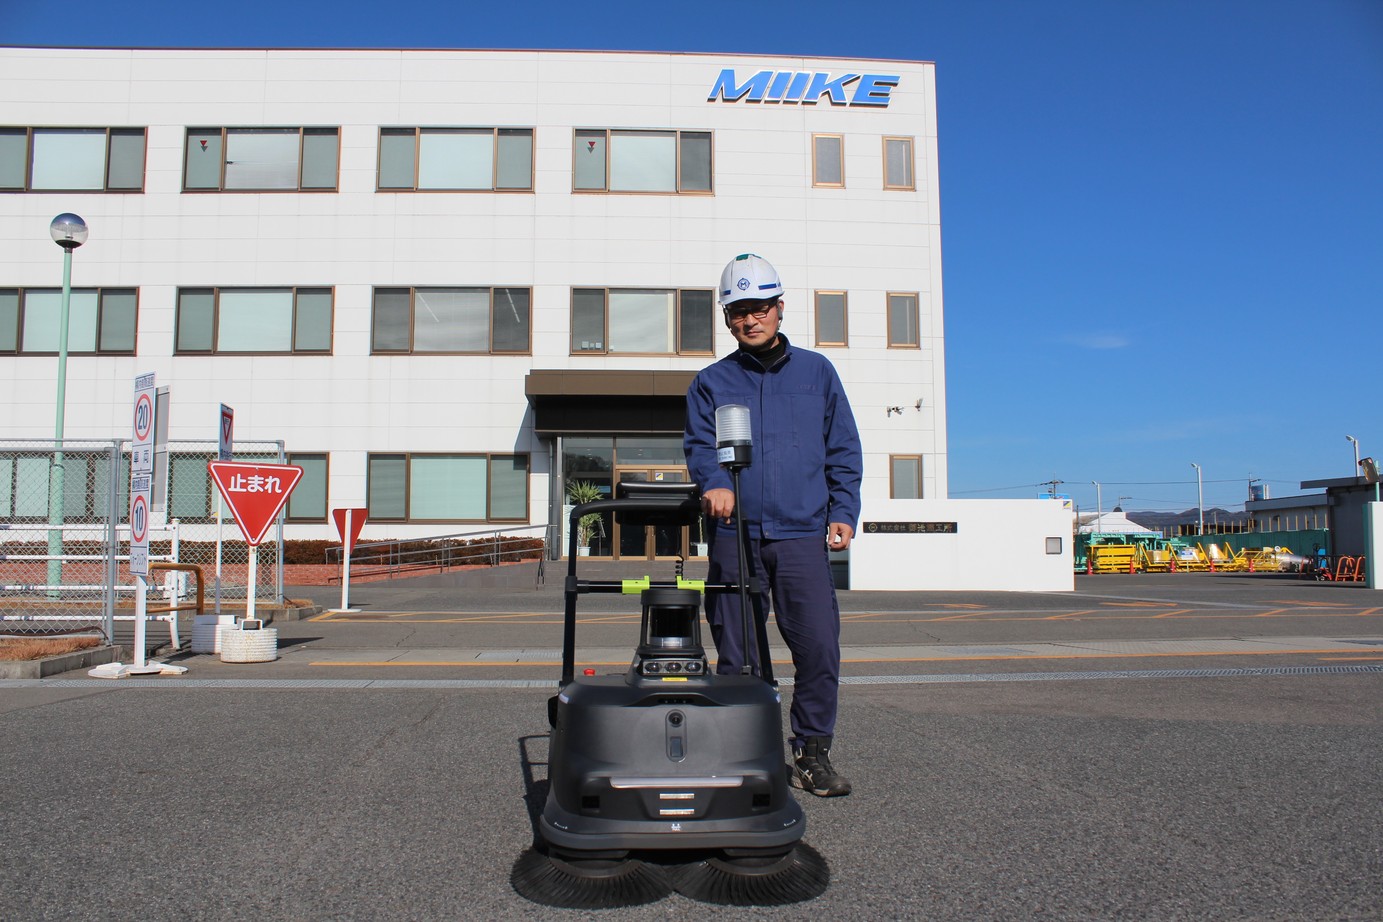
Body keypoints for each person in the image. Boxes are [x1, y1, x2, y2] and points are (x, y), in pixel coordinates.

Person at [683, 252, 862, 797]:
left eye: (759, 308)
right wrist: (714, 480)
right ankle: (745, 753)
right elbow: (700, 445)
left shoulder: (817, 373)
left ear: (780, 308)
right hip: (734, 535)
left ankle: (812, 753)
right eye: (738, 311)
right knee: (738, 654)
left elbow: (842, 447)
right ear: (727, 318)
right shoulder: (711, 381)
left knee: (818, 648)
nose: (750, 320)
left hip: (801, 534)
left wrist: (843, 509)